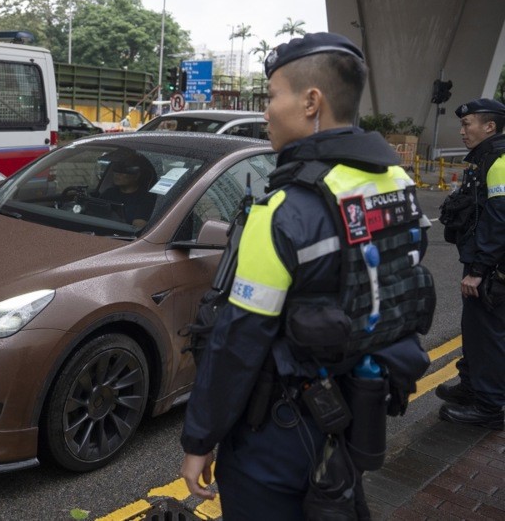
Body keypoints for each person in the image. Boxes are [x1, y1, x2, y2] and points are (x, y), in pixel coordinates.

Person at [179, 33, 434, 518]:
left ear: (311, 101)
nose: (267, 110)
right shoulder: (396, 184)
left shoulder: (283, 211)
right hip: (358, 412)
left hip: (278, 433)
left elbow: (238, 341)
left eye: (273, 95)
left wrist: (200, 438)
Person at [435, 97, 505, 429]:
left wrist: (478, 270)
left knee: (488, 334)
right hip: (484, 262)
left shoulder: (499, 161)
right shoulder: (485, 157)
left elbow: (500, 219)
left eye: (467, 124)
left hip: (491, 268)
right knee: (474, 330)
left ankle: (489, 407)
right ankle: (471, 386)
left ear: (489, 127)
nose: (462, 130)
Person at [100, 154, 156, 227]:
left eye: (124, 171)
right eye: (116, 170)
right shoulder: (109, 193)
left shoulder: (146, 199)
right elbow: (95, 214)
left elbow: (138, 226)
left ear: (136, 175)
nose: (117, 174)